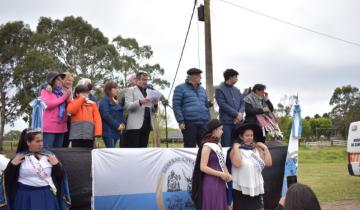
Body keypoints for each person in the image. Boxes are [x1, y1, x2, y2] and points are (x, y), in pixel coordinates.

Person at [1, 129, 71, 210]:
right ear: (28, 142)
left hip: (47, 196)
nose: (41, 144)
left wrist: (56, 165)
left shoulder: (50, 155)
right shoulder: (19, 157)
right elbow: (8, 180)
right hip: (24, 197)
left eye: (41, 141)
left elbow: (60, 177)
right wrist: (12, 166)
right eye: (37, 141)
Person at [228, 123, 272, 210]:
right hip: (241, 190)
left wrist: (265, 148)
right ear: (241, 136)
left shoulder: (256, 149)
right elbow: (237, 164)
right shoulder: (236, 149)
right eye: (247, 135)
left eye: (251, 135)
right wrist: (236, 148)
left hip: (255, 189)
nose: (250, 137)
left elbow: (268, 163)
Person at [191, 119, 232, 210]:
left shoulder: (218, 144)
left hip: (221, 182)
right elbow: (203, 167)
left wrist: (227, 173)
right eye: (221, 129)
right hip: (210, 183)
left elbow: (222, 163)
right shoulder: (207, 145)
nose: (222, 131)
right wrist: (221, 174)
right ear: (215, 130)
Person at [173, 68, 210, 147]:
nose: (201, 77)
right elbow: (176, 106)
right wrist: (181, 121)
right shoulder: (180, 88)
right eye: (199, 76)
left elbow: (206, 106)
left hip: (203, 123)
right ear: (193, 76)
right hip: (189, 123)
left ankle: (202, 160)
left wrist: (208, 121)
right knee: (190, 146)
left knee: (204, 147)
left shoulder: (202, 90)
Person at [123, 71, 158, 148]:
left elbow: (154, 111)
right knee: (134, 150)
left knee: (143, 150)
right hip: (135, 126)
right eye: (143, 79)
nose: (145, 82)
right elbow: (128, 107)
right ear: (137, 80)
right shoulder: (130, 90)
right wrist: (139, 101)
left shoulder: (149, 91)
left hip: (147, 125)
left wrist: (155, 104)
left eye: (146, 80)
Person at [215, 69, 245, 147]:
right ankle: (227, 160)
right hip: (226, 123)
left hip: (238, 122)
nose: (237, 79)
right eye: (235, 76)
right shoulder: (219, 89)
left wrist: (240, 114)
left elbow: (242, 103)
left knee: (238, 145)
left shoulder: (237, 90)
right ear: (230, 77)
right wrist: (236, 114)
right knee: (227, 146)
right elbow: (222, 105)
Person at [41, 72, 71, 149]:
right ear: (52, 81)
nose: (61, 81)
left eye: (61, 79)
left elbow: (70, 105)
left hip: (61, 127)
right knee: (47, 151)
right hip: (50, 128)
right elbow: (47, 105)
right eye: (58, 79)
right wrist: (63, 98)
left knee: (58, 153)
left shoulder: (63, 92)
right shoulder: (45, 91)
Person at [98, 81, 126, 148]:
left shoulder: (116, 100)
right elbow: (106, 115)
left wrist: (123, 124)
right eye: (115, 88)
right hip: (109, 132)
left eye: (117, 88)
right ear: (109, 89)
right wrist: (117, 125)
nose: (117, 90)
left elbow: (119, 115)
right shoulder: (104, 100)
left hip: (116, 131)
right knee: (110, 152)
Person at [62, 72, 75, 148]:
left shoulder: (71, 91)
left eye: (71, 81)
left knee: (67, 140)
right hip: (60, 117)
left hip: (69, 118)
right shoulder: (59, 89)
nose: (69, 82)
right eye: (68, 80)